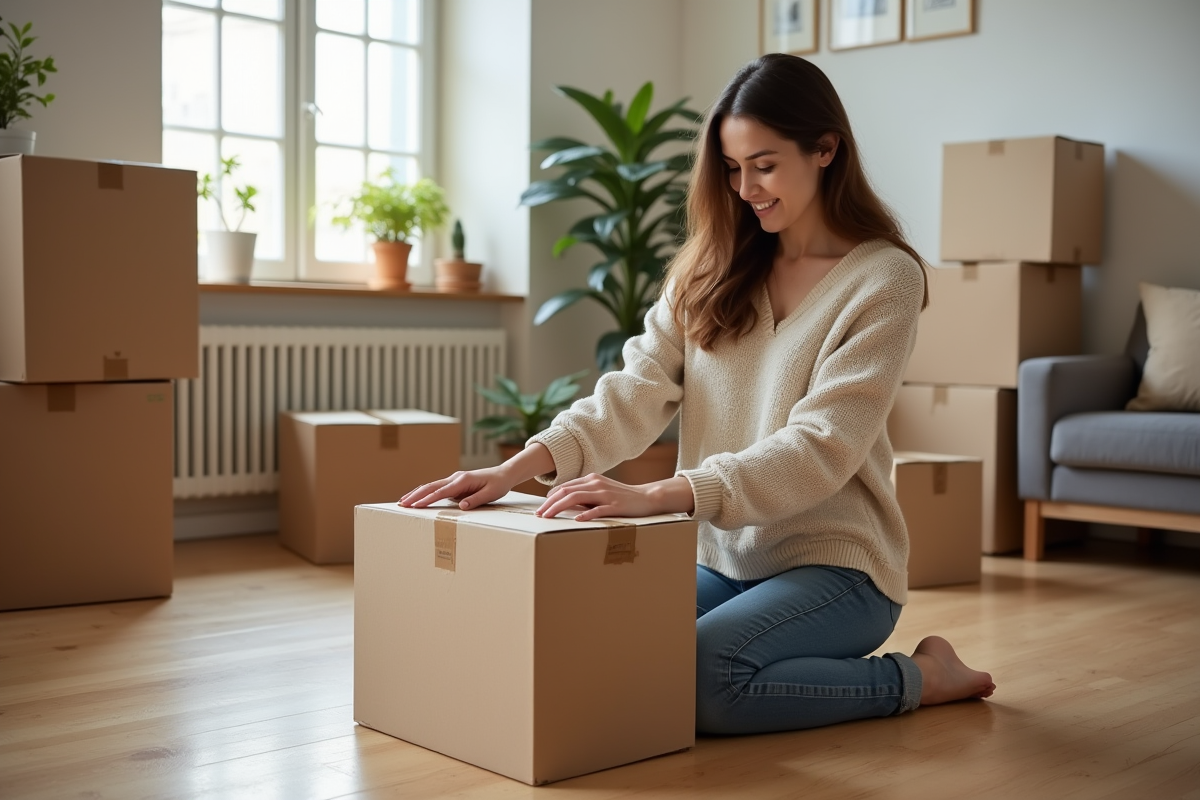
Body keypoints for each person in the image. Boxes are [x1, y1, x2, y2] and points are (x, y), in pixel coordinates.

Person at [401, 53, 995, 734]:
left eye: (765, 165)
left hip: (838, 568)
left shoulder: (885, 279)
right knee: (592, 637)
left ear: (826, 149)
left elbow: (820, 448)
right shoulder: (709, 270)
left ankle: (919, 676)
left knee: (707, 680)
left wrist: (657, 495)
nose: (746, 188)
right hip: (722, 559)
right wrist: (515, 466)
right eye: (733, 168)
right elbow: (633, 390)